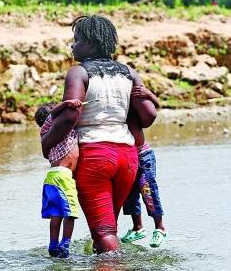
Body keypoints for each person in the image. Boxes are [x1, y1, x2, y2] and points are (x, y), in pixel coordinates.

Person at [41, 14, 157, 253]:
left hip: (95, 156)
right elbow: (148, 117)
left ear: (91, 43)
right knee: (107, 228)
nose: (72, 45)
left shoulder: (79, 73)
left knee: (104, 233)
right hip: (127, 158)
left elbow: (70, 115)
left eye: (77, 40)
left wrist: (46, 141)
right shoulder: (129, 73)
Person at [35, 99, 83, 258]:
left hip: (53, 177)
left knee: (57, 214)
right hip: (62, 177)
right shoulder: (48, 130)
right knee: (70, 213)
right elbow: (54, 115)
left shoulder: (60, 132)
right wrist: (66, 104)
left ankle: (53, 244)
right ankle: (65, 244)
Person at [121, 86, 167, 247]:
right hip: (126, 157)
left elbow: (155, 107)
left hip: (142, 155)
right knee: (129, 193)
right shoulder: (113, 112)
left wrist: (149, 94)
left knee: (148, 190)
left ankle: (160, 228)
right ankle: (137, 227)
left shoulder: (133, 109)